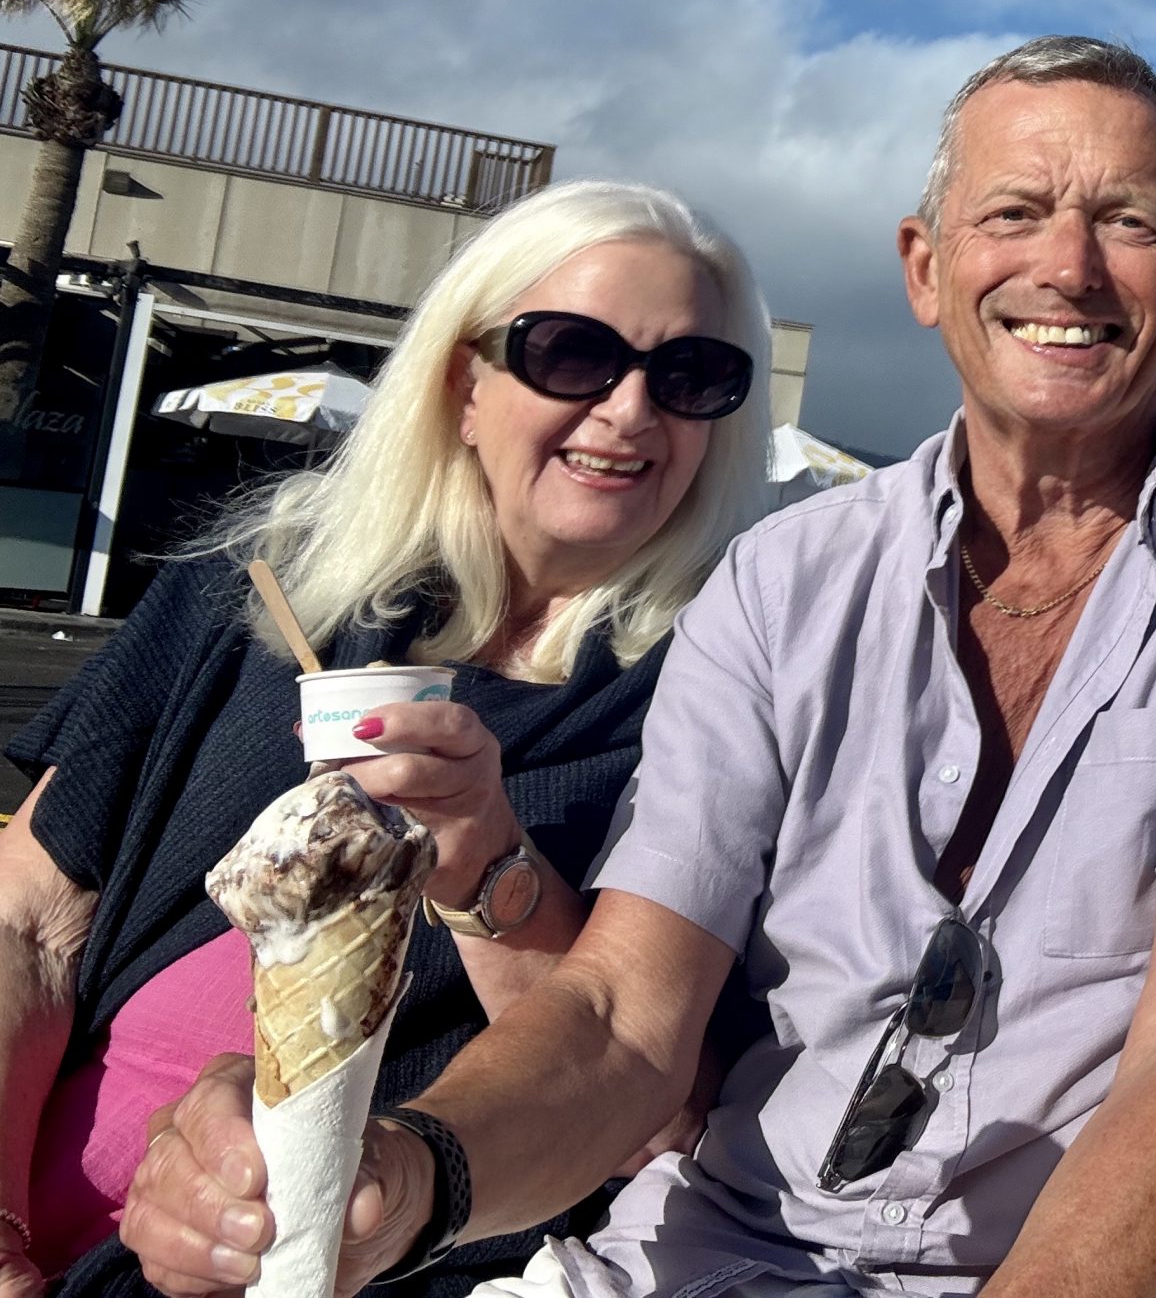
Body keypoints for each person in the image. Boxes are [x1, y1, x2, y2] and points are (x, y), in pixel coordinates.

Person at [122, 36, 1156, 1298]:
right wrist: (407, 1181)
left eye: (1127, 223)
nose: (1067, 267)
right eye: (1014, 212)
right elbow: (624, 1015)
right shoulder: (780, 578)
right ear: (925, 267)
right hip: (696, 1255)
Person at [0, 181, 772, 1298]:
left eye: (690, 375)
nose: (628, 410)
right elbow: (26, 923)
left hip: (350, 1252)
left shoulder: (722, 696)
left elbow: (661, 1105)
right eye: (571, 354)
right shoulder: (264, 589)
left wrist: (485, 859)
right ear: (465, 385)